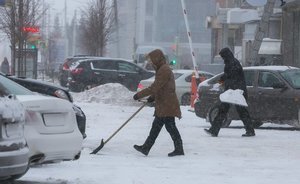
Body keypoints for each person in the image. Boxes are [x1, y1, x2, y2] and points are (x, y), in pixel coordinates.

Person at [132, 49, 184, 157]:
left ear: (157, 58)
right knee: (157, 127)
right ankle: (146, 148)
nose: (150, 62)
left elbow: (155, 87)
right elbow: (161, 88)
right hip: (164, 104)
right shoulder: (161, 69)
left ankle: (179, 149)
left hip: (167, 104)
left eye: (151, 60)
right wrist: (153, 97)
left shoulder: (164, 70)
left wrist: (139, 95)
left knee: (170, 127)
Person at [204, 47, 255, 137]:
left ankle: (250, 130)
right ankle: (214, 130)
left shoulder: (232, 63)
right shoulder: (231, 62)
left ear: (226, 55)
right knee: (226, 111)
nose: (222, 58)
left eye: (222, 56)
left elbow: (231, 76)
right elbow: (227, 75)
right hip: (233, 91)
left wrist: (226, 85)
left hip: (236, 92)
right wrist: (220, 82)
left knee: (237, 111)